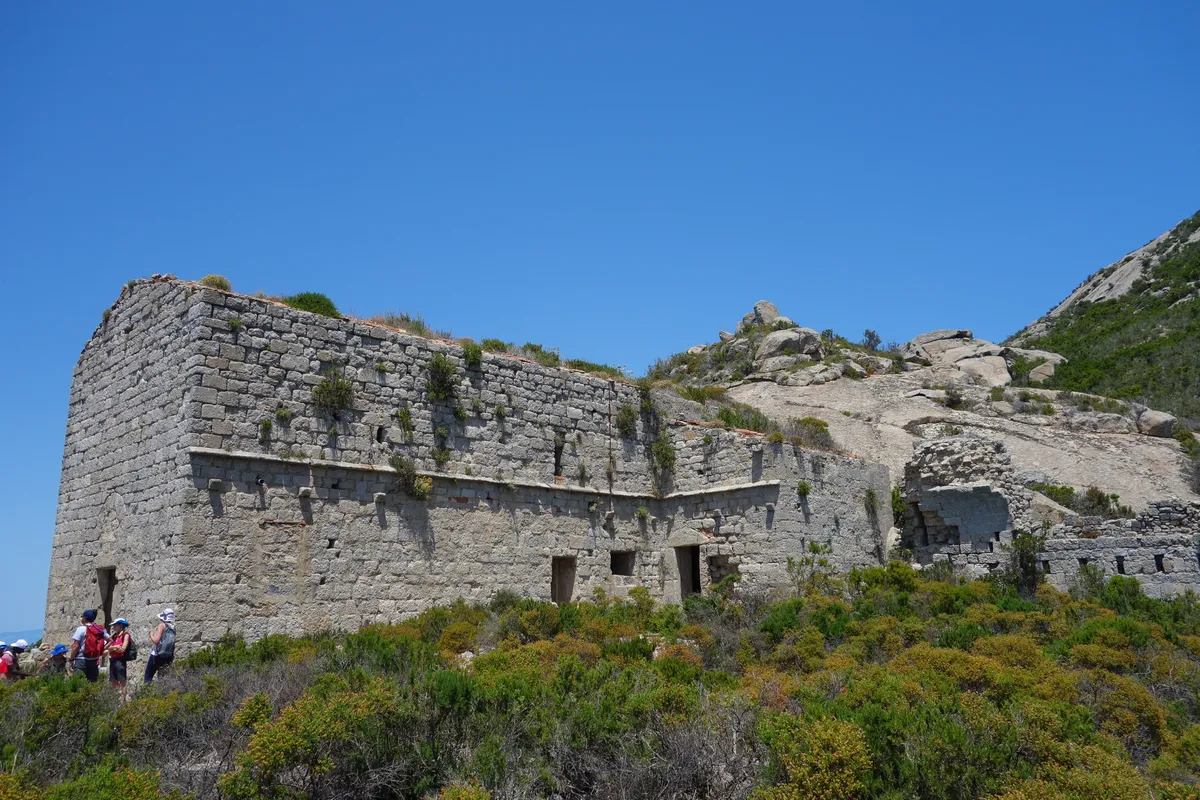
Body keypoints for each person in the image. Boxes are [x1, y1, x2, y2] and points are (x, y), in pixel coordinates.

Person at [67, 609, 108, 682]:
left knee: (79, 684)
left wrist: (71, 659)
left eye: (82, 617)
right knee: (92, 684)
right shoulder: (99, 629)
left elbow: (76, 646)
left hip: (81, 660)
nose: (81, 618)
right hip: (94, 660)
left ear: (85, 618)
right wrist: (101, 651)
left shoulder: (81, 629)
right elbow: (110, 640)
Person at [145, 608, 176, 683]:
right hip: (168, 656)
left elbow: (156, 640)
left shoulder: (162, 625)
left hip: (157, 655)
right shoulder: (173, 627)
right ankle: (162, 694)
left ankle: (146, 693)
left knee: (148, 676)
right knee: (163, 678)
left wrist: (151, 635)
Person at [105, 618, 132, 701]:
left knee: (122, 681)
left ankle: (122, 699)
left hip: (120, 660)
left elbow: (122, 649)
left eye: (115, 625)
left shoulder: (126, 635)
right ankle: (114, 699)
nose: (113, 627)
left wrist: (112, 648)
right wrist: (114, 647)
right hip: (113, 660)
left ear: (120, 625)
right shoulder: (114, 636)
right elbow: (106, 648)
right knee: (113, 681)